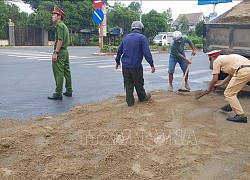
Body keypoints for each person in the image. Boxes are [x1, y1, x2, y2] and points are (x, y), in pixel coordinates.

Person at [115, 21, 155, 106]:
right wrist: (151, 65)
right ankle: (142, 97)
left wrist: (117, 62)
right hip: (136, 65)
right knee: (139, 82)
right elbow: (147, 53)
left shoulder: (125, 38)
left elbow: (119, 51)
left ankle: (130, 102)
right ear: (141, 28)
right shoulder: (142, 38)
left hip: (125, 66)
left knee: (128, 84)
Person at [205, 50, 250, 123]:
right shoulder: (227, 58)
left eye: (211, 59)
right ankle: (231, 105)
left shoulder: (217, 61)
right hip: (246, 70)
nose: (212, 61)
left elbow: (214, 79)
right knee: (233, 90)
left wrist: (209, 88)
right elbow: (230, 76)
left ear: (212, 57)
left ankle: (241, 116)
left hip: (242, 71)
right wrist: (220, 84)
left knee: (229, 93)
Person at [48, 6, 72, 100]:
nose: (52, 16)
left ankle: (58, 93)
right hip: (65, 51)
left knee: (58, 72)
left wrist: (55, 52)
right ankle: (69, 90)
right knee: (67, 71)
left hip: (60, 51)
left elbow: (60, 40)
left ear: (59, 16)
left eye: (54, 15)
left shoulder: (59, 26)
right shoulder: (64, 25)